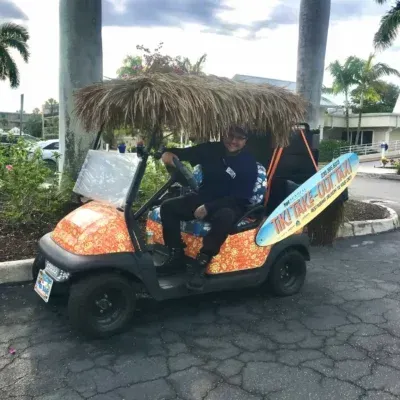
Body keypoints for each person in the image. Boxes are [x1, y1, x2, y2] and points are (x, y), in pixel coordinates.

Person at [160, 126, 258, 291]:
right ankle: (176, 256)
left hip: (231, 204)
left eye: (239, 138)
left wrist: (209, 207)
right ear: (223, 134)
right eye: (230, 135)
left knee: (225, 216)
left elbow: (241, 196)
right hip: (204, 197)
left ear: (245, 141)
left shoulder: (248, 163)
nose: (233, 141)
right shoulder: (210, 149)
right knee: (168, 207)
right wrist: (167, 152)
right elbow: (184, 153)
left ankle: (202, 264)